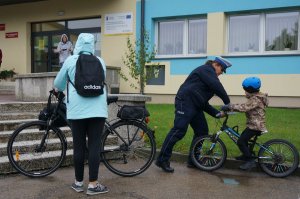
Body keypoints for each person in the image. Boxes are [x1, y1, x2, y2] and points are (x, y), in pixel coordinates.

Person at [54, 33, 109, 195]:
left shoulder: (70, 60)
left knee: (78, 147)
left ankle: (78, 183)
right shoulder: (100, 61)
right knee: (94, 146)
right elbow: (102, 80)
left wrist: (61, 87)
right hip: (98, 111)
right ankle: (93, 185)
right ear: (92, 45)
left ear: (77, 44)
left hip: (76, 112)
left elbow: (58, 83)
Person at [155, 56, 232, 173]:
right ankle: (162, 159)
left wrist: (217, 113)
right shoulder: (206, 70)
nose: (221, 74)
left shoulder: (207, 76)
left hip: (194, 105)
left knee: (202, 131)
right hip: (185, 102)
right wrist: (228, 103)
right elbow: (216, 86)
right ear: (216, 64)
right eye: (222, 70)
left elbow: (202, 102)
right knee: (178, 131)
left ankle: (193, 161)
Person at [221, 77, 269, 170]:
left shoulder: (256, 99)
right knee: (243, 138)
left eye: (245, 89)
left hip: (255, 126)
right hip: (253, 124)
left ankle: (250, 161)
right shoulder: (256, 97)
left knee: (241, 141)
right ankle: (246, 155)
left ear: (250, 89)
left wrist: (229, 107)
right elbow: (246, 106)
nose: (244, 91)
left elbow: (244, 107)